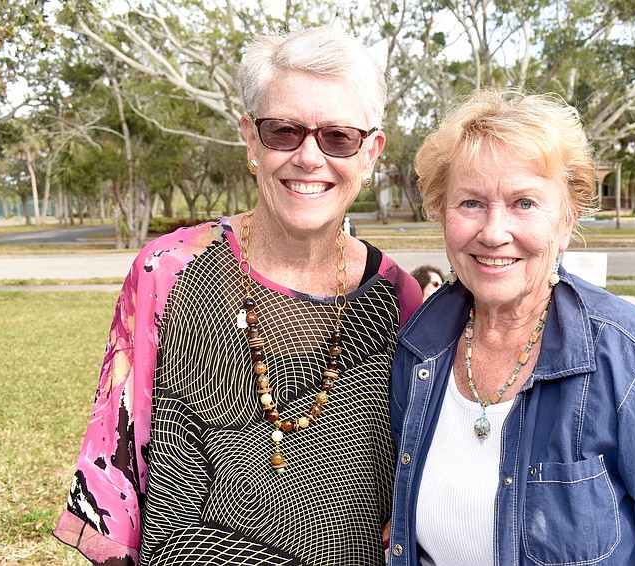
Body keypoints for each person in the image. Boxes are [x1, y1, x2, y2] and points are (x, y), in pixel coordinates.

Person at [53, 26, 422, 565]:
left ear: (369, 154)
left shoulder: (398, 299)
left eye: (339, 137)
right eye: (284, 132)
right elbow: (118, 478)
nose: (309, 158)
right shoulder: (169, 272)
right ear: (251, 139)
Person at [387, 90, 635, 565]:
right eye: (471, 202)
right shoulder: (421, 348)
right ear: (441, 212)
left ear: (566, 221)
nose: (494, 231)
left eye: (524, 203)